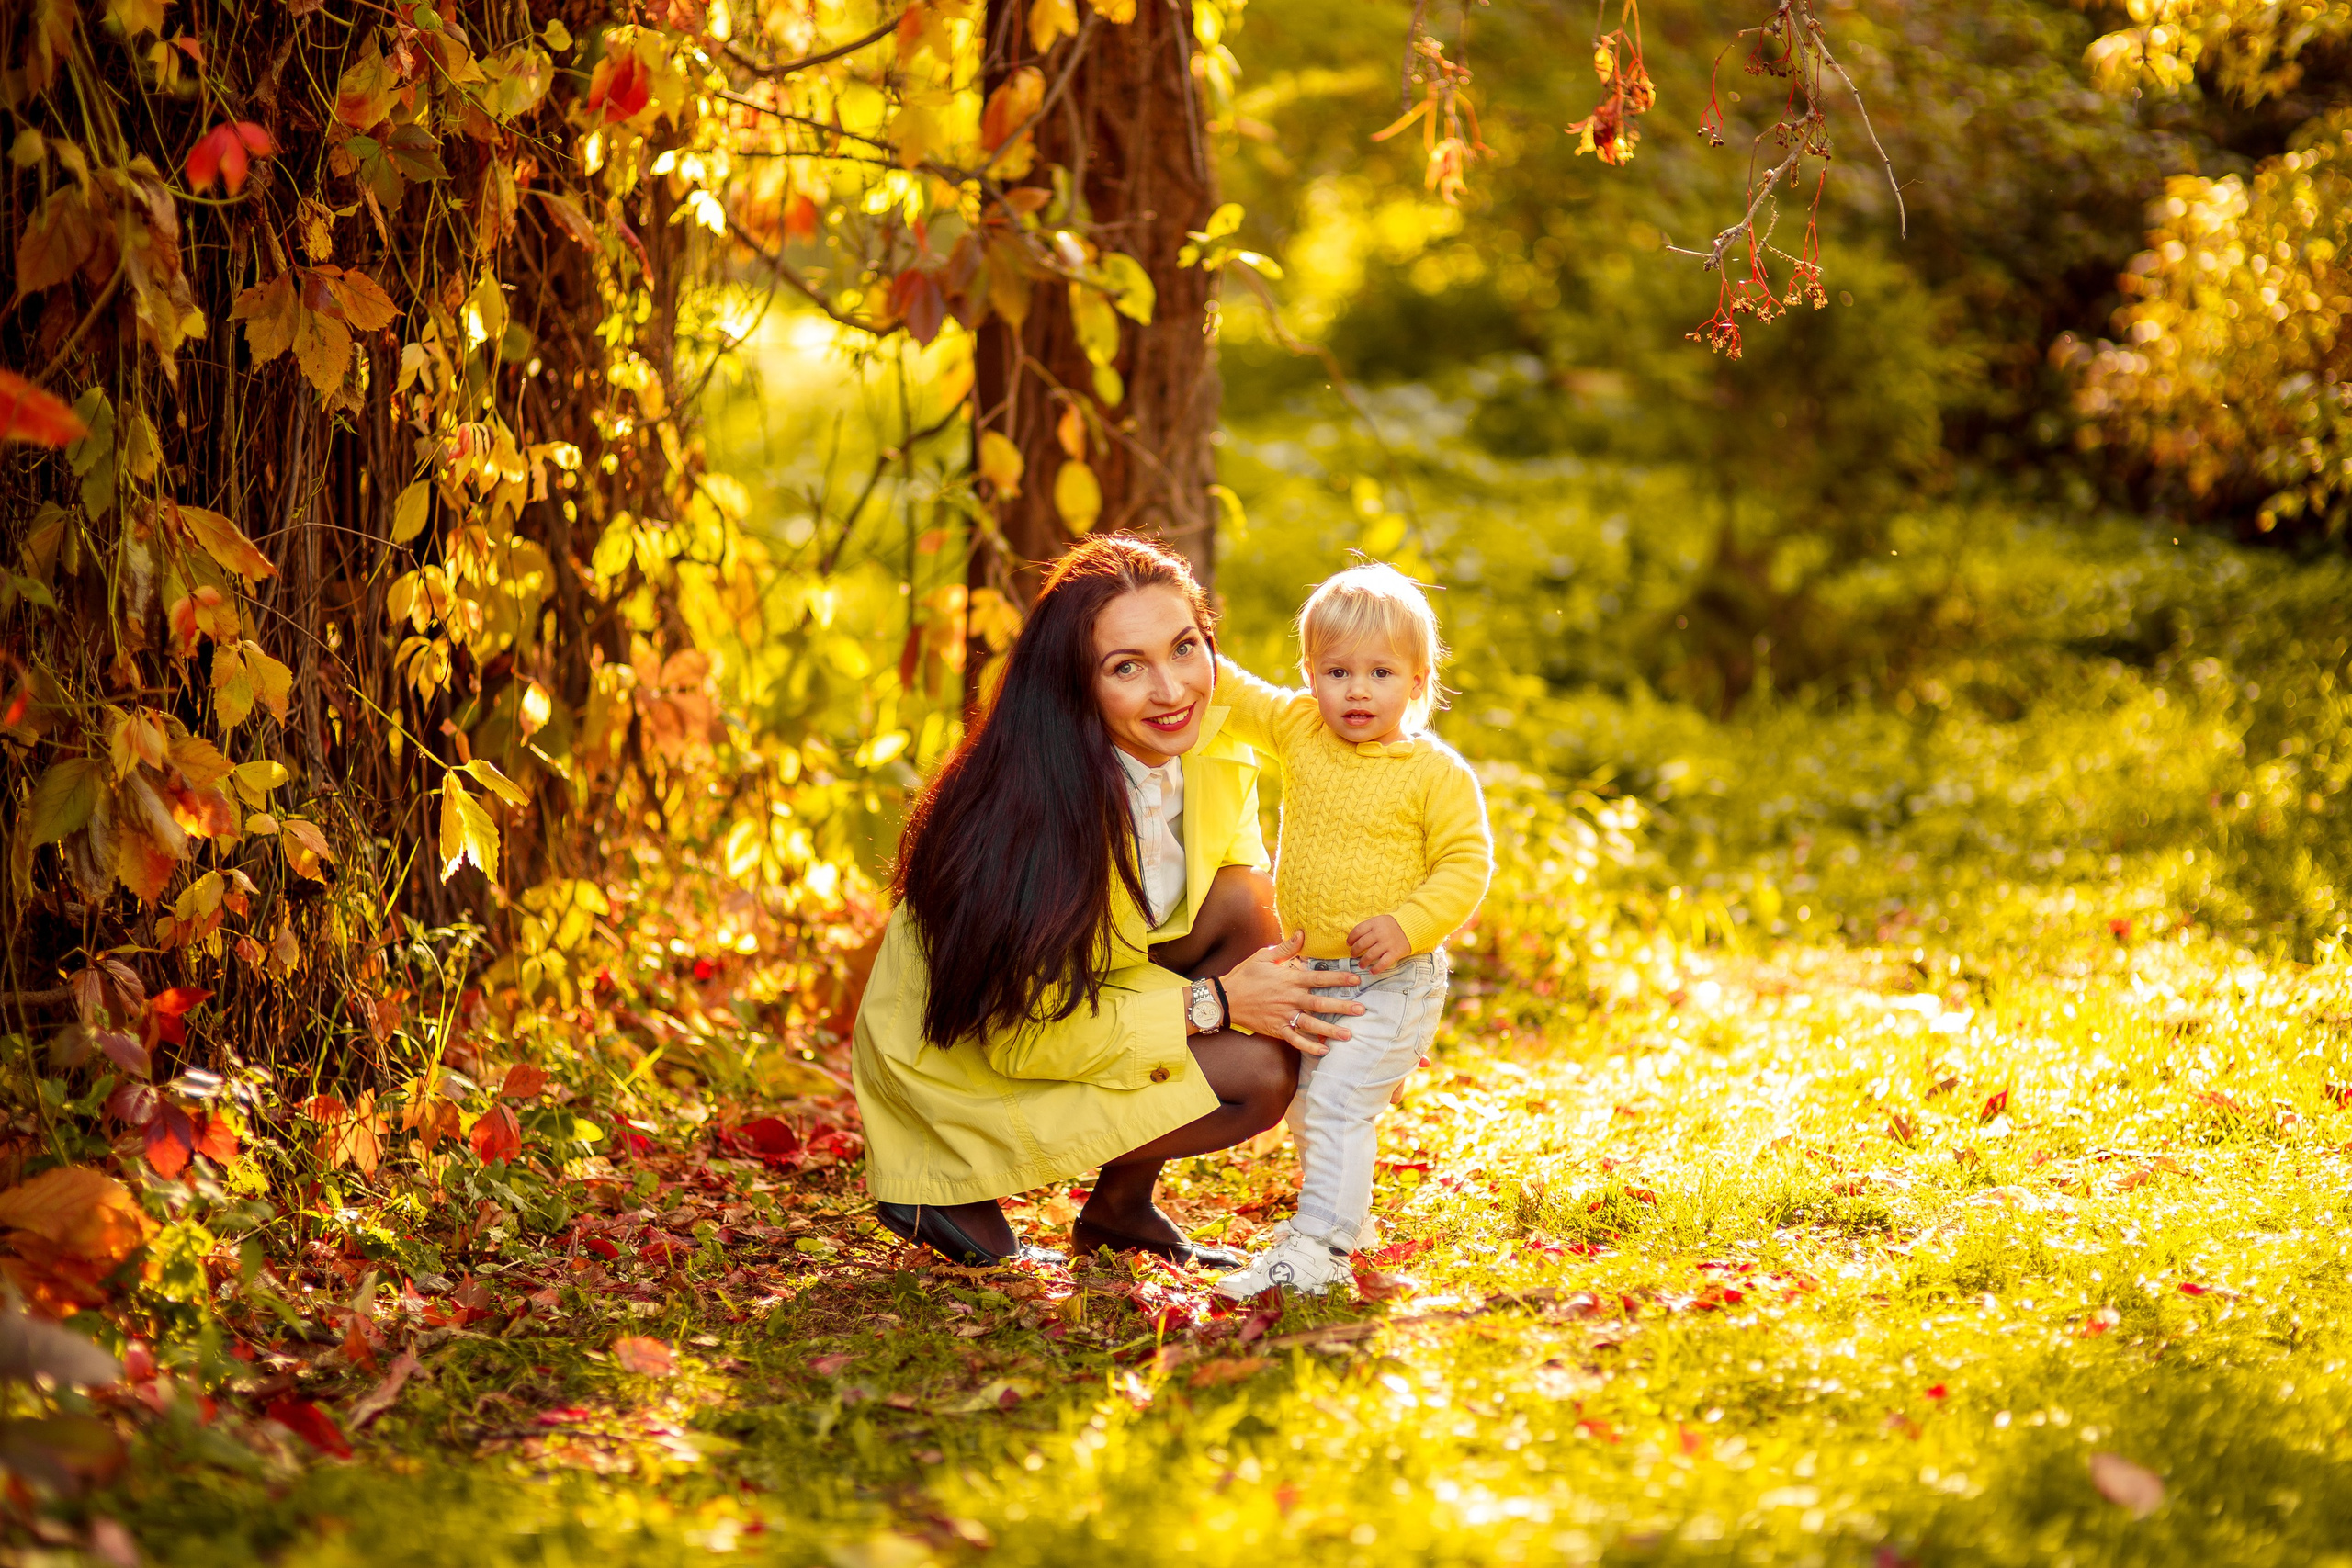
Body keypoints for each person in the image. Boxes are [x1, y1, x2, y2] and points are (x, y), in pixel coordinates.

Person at [850, 536, 1369, 1269]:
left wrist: (1397, 932)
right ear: (1075, 684)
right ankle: (938, 1177)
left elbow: (1249, 906)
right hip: (966, 1065)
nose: (1172, 690)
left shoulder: (1218, 743)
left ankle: (1120, 1209)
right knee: (1254, 1079)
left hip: (1103, 977)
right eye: (1128, 667)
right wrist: (1215, 1003)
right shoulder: (1029, 805)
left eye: (1184, 647)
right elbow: (1021, 1035)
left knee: (1249, 902)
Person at [1207, 563, 1493, 1298]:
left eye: (1380, 672)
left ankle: (1319, 1250)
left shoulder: (1435, 774)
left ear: (1419, 680)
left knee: (1337, 1102)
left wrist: (1407, 924)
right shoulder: (1301, 728)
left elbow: (1466, 865)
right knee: (1308, 1105)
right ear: (1310, 675)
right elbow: (1233, 695)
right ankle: (1347, 1220)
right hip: (1317, 977)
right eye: (1337, 671)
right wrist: (1185, 635)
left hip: (1393, 982)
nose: (1357, 690)